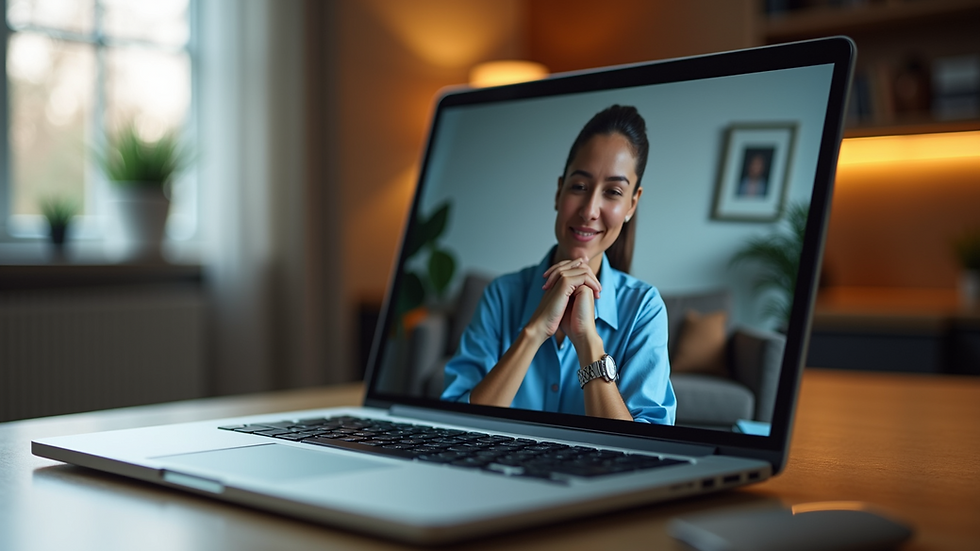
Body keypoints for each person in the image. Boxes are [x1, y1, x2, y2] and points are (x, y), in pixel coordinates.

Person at [441, 105, 675, 424]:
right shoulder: (501, 295)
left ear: (632, 203)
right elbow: (454, 425)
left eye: (613, 192)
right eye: (579, 186)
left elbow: (645, 455)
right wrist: (535, 332)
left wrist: (588, 342)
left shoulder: (644, 309)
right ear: (558, 191)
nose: (590, 210)